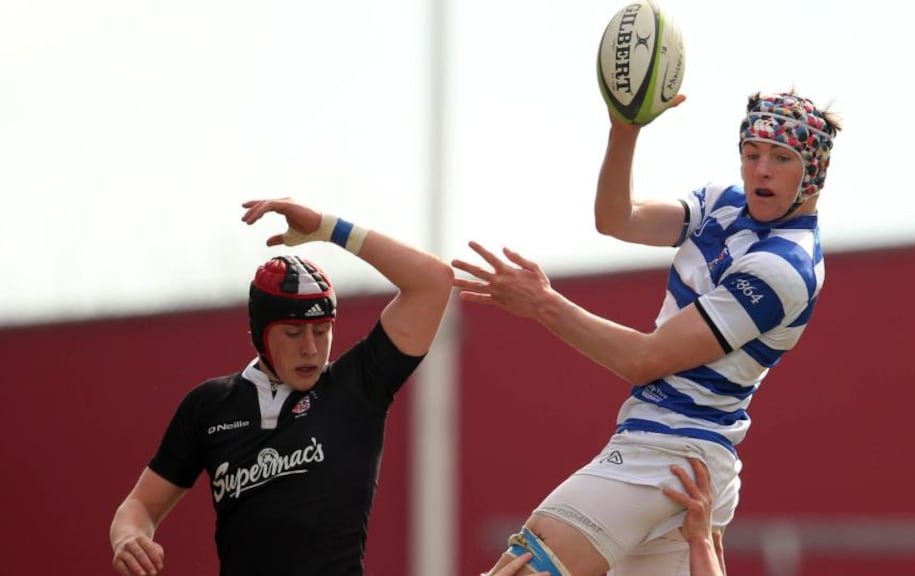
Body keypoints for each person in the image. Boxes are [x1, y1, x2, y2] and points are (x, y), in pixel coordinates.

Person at [452, 90, 841, 576]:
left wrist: (542, 303)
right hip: (682, 464)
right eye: (751, 153)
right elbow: (618, 219)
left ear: (814, 172)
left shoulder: (783, 267)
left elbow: (645, 359)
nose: (760, 169)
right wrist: (625, 128)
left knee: (523, 568)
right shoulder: (724, 203)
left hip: (670, 452)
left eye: (781, 158)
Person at [109, 198, 454, 575]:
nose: (310, 348)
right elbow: (139, 507)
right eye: (292, 332)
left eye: (322, 331)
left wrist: (328, 228)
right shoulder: (209, 406)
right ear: (261, 334)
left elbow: (433, 281)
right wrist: (129, 539)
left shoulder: (359, 386)